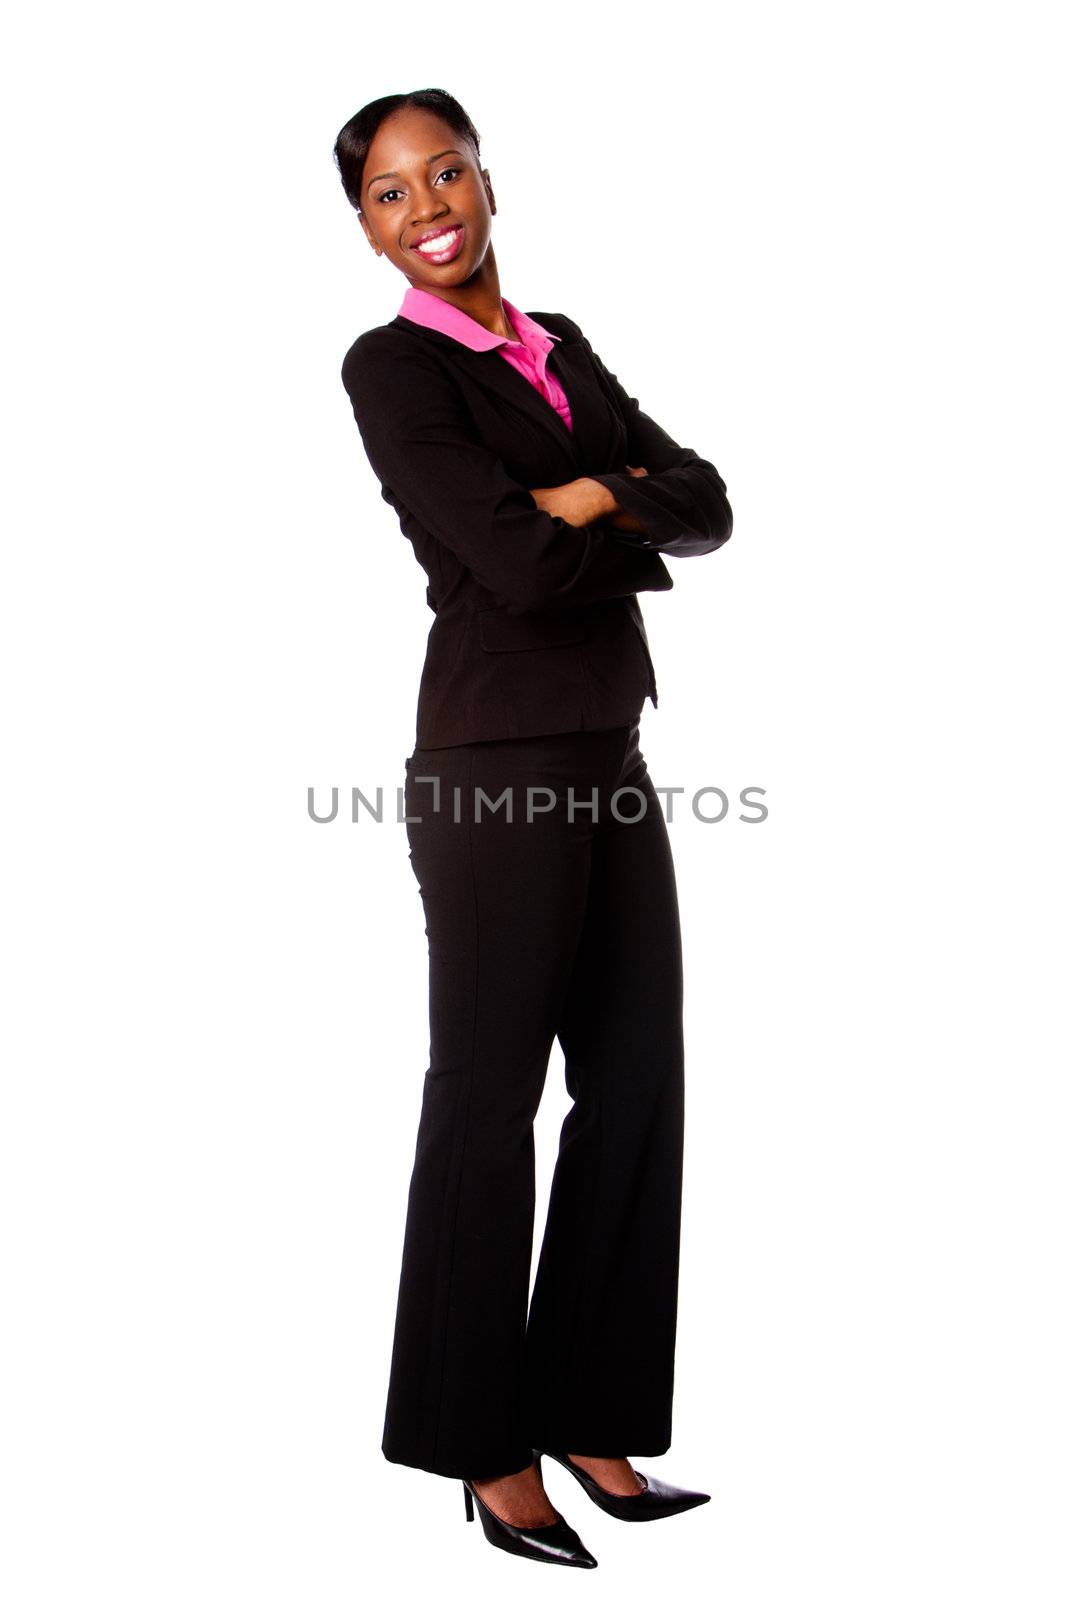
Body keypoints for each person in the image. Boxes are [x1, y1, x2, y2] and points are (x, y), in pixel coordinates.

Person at [334, 87, 733, 1569]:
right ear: (366, 226)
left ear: (489, 183)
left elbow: (707, 504)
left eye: (445, 171)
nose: (424, 203)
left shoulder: (556, 344)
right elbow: (505, 566)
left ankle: (589, 1413)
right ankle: (476, 1444)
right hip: (494, 762)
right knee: (488, 1097)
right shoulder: (393, 370)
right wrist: (597, 514)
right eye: (388, 191)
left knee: (637, 1083)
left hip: (612, 746)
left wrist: (593, 491)